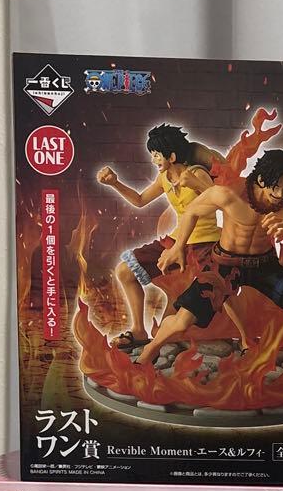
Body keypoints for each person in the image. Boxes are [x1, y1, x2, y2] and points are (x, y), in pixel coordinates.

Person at [137, 148, 283, 366]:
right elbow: (192, 211)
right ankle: (149, 351)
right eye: (276, 188)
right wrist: (178, 247)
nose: (280, 195)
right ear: (261, 179)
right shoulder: (229, 193)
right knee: (183, 321)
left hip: (265, 264)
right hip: (225, 263)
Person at [96, 124, 225, 351]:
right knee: (125, 271)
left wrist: (197, 184)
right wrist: (115, 183)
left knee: (184, 311)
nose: (153, 159)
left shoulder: (197, 173)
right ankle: (138, 331)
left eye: (156, 155)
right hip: (176, 240)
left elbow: (221, 200)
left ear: (172, 156)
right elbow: (140, 200)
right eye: (152, 155)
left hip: (205, 243)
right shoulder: (164, 177)